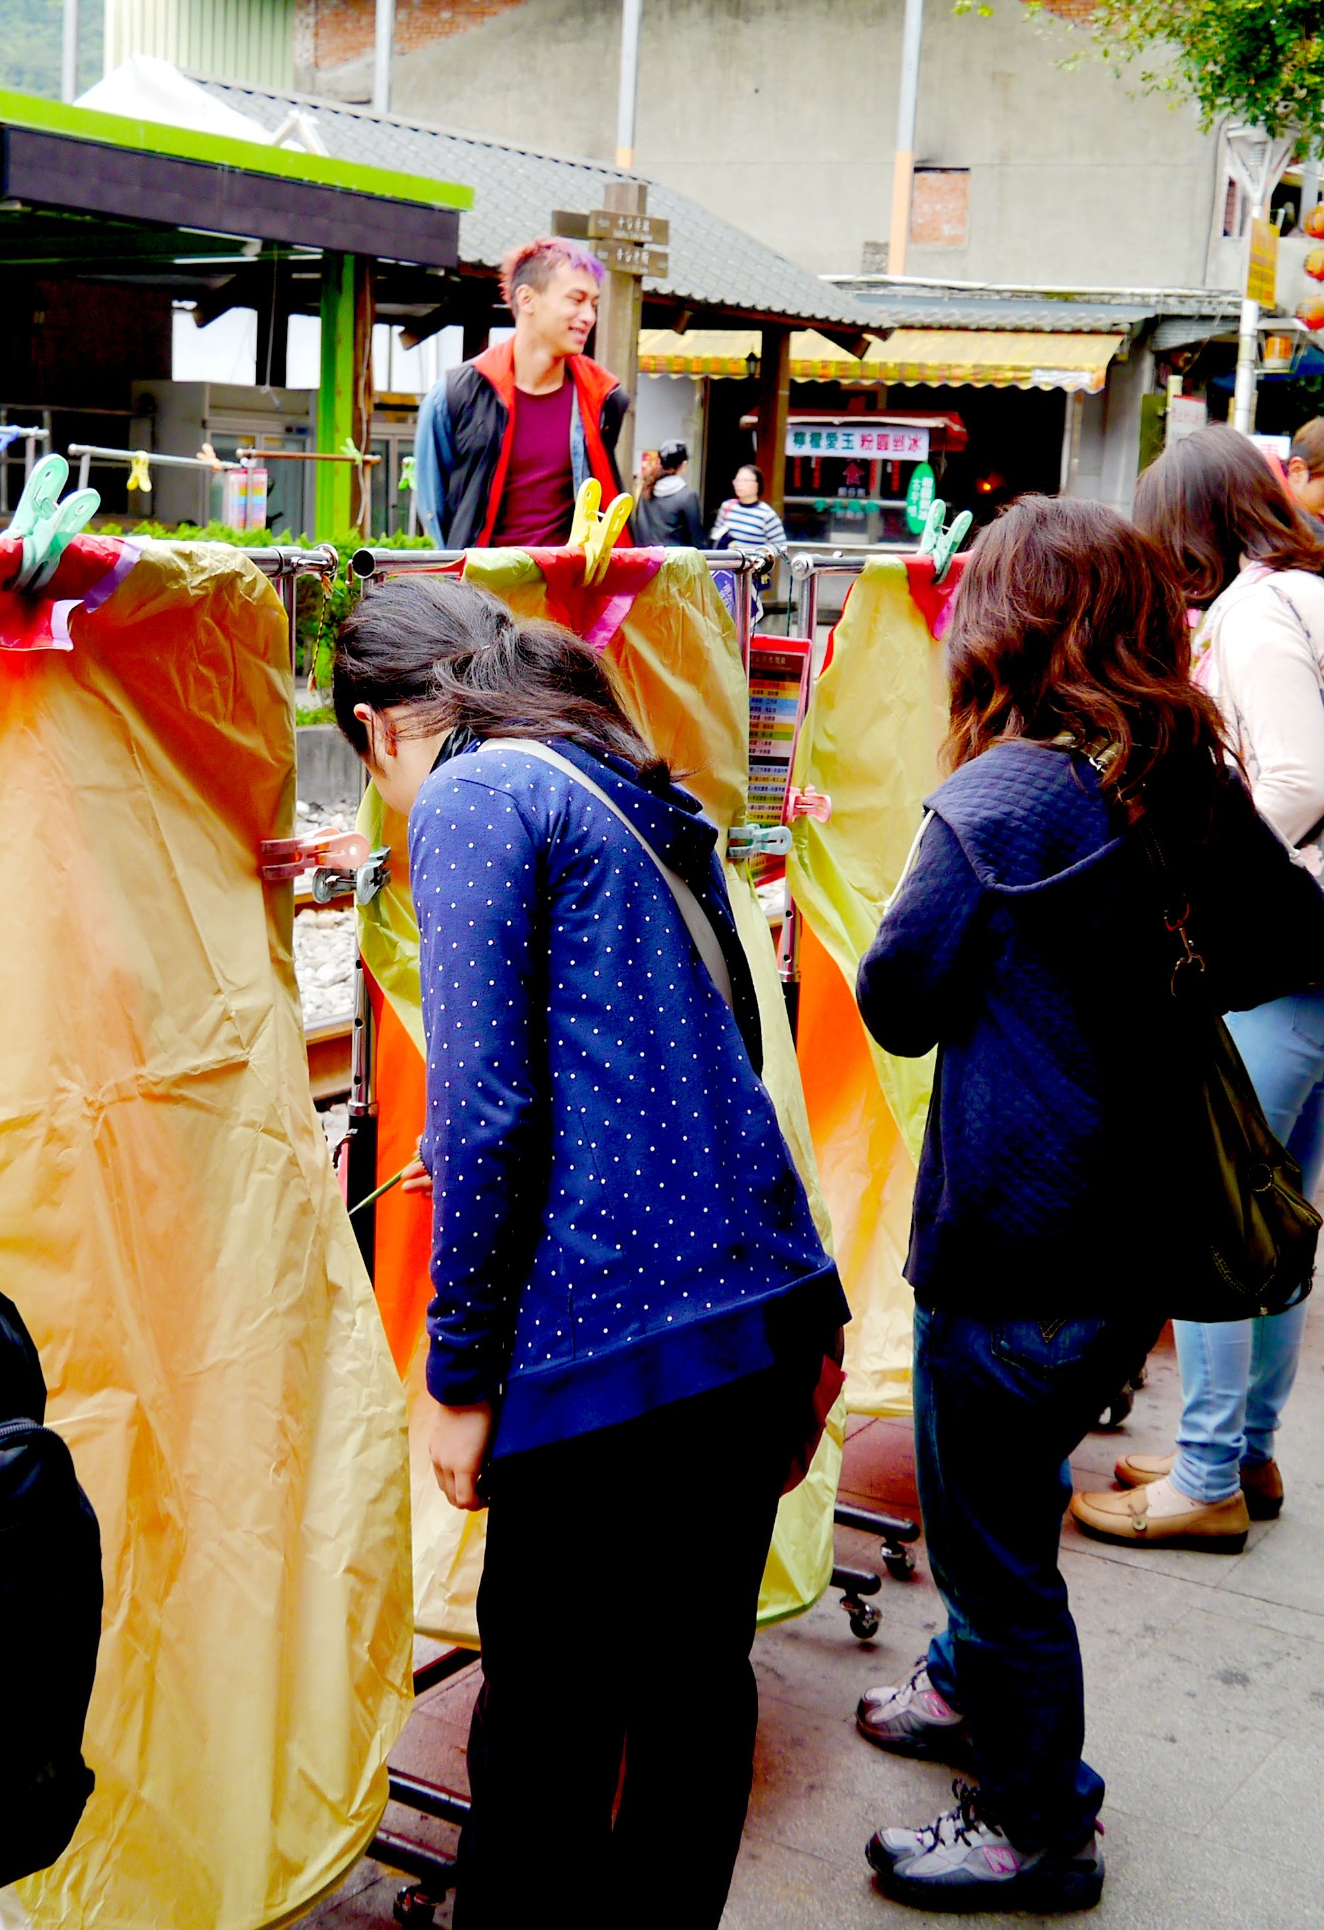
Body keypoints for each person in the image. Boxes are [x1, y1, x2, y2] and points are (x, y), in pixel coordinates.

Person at [331, 579, 846, 1928]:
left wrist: (458, 1370)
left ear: (384, 728)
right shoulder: (613, 772)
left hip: (613, 1341)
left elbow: (488, 1107)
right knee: (689, 1696)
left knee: (547, 1733)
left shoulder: (472, 789)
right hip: (753, 1311)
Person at [848, 494, 1324, 1909]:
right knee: (994, 1500)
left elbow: (896, 999)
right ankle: (955, 1691)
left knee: (996, 1545)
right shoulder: (1177, 770)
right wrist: (1145, 984)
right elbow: (1299, 934)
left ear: (1002, 620)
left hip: (1014, 1234)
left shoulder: (998, 795)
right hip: (1136, 1227)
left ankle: (1037, 1821)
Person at [1073, 424, 1324, 1552]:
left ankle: (1207, 1472)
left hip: (1277, 961)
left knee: (1210, 1214)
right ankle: (1242, 1447)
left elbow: (1295, 779)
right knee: (1273, 1218)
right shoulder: (1301, 596)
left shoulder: (1256, 615)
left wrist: (1194, 869)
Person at [411, 239, 631, 549]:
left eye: (593, 304)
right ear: (527, 299)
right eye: (576, 300)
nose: (588, 316)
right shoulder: (454, 394)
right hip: (482, 590)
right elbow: (436, 509)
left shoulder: (604, 396)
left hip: (570, 590)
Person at [631, 438, 707, 549]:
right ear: (684, 464)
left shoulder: (647, 489)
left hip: (647, 560)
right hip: (675, 563)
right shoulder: (687, 496)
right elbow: (696, 540)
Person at [711, 461, 788, 550]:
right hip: (727, 562)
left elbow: (780, 544)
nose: (739, 484)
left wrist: (760, 555)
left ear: (757, 485)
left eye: (745, 481)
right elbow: (716, 533)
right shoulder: (727, 506)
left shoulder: (766, 514)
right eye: (737, 480)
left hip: (752, 562)